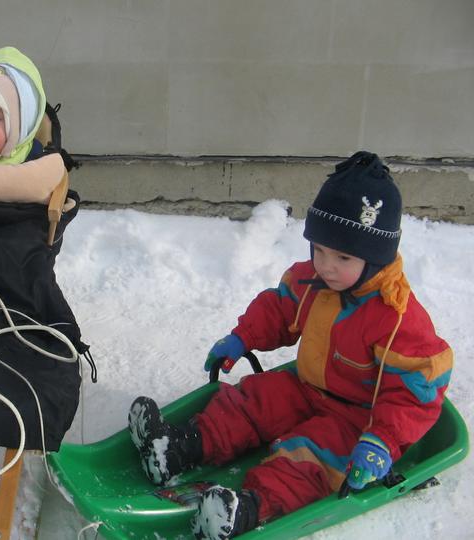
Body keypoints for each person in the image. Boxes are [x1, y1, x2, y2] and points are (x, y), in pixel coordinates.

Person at [128, 151, 453, 539]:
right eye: (319, 249)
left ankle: (246, 509)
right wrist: (242, 337)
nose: (326, 265)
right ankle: (176, 449)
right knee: (252, 401)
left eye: (342, 256)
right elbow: (279, 308)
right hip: (306, 387)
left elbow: (415, 394)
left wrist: (382, 441)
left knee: (309, 456)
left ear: (375, 258)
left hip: (358, 418)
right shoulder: (314, 280)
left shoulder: (396, 317)